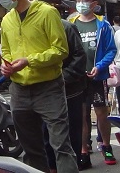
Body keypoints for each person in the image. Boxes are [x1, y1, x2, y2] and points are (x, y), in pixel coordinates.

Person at [0, 0, 78, 172]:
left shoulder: (47, 13)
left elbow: (61, 50)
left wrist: (29, 61)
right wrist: (7, 65)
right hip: (19, 90)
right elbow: (8, 51)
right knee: (31, 149)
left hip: (49, 88)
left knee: (61, 146)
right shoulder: (7, 20)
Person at [69, 0, 117, 168]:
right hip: (77, 79)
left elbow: (112, 50)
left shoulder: (103, 26)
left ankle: (106, 145)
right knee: (80, 116)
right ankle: (83, 151)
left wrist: (99, 67)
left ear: (94, 4)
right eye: (79, 0)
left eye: (86, 0)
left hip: (98, 78)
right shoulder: (70, 23)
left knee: (101, 113)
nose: (81, 3)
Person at [45, 19, 87, 173]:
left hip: (70, 91)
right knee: (47, 136)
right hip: (44, 91)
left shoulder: (67, 27)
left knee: (69, 135)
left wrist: (60, 77)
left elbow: (80, 58)